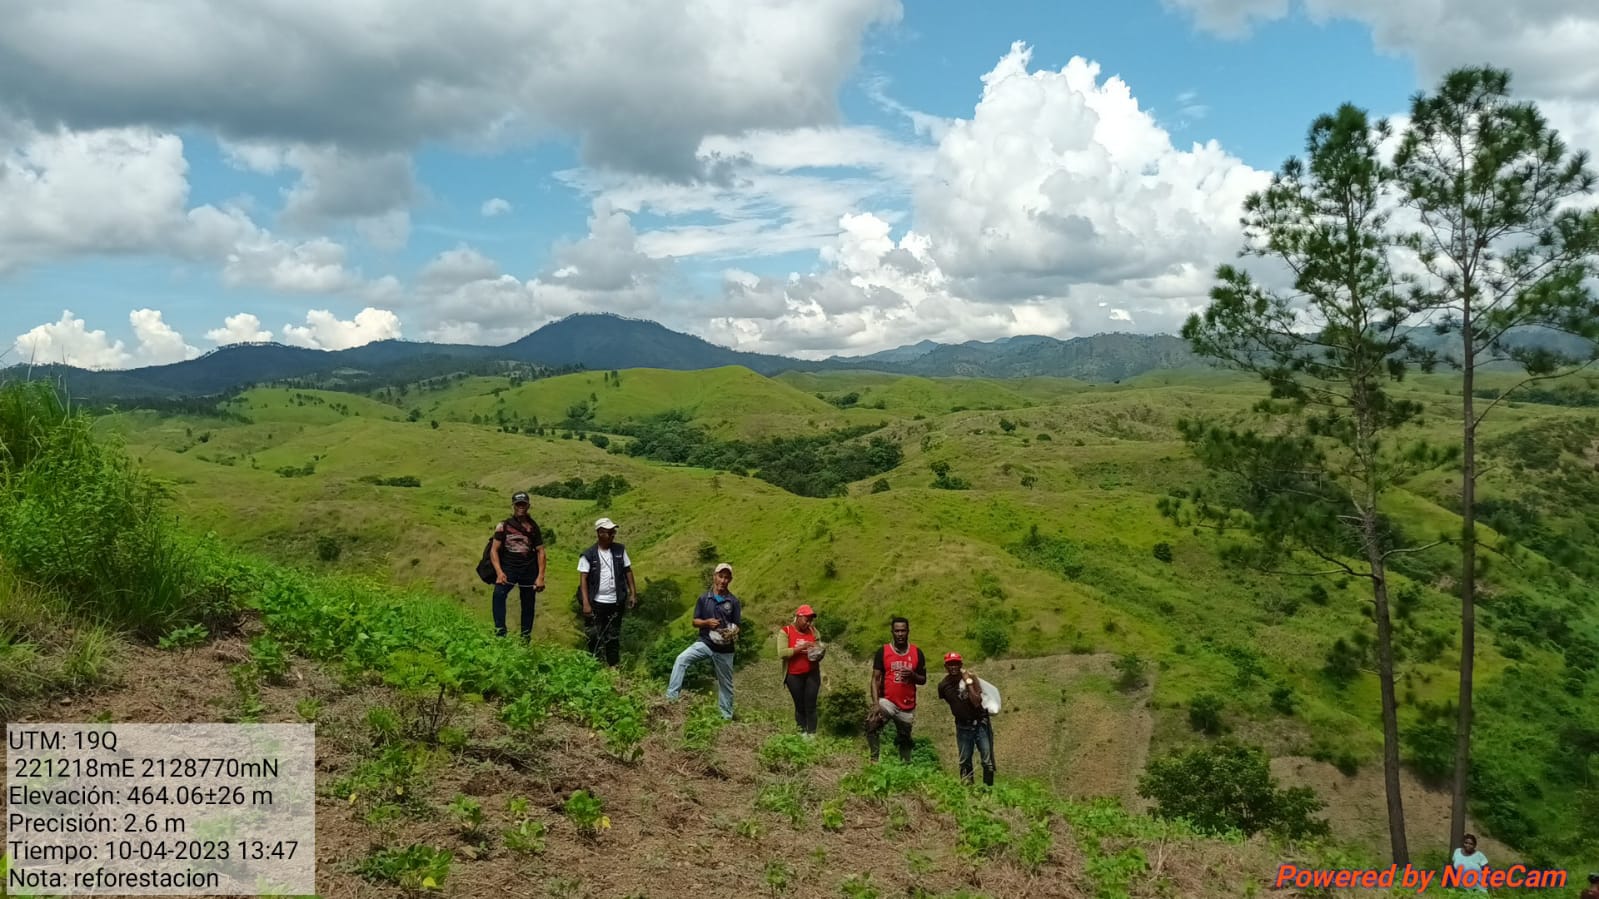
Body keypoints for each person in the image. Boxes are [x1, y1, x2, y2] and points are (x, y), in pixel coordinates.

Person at [666, 563, 742, 720]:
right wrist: (707, 623)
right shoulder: (704, 598)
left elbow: (737, 625)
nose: (723, 580)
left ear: (730, 580)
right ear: (714, 577)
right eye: (720, 576)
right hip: (706, 642)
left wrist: (732, 632)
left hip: (725, 649)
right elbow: (695, 621)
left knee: (726, 684)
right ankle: (671, 699)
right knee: (681, 659)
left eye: (726, 578)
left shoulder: (733, 602)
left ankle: (726, 717)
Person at [866, 616, 926, 763]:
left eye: (903, 631)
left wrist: (913, 675)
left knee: (905, 740)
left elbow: (923, 679)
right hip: (888, 701)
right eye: (897, 631)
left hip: (907, 705)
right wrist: (876, 703)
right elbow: (875, 679)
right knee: (872, 723)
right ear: (892, 632)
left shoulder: (917, 653)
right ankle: (874, 760)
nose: (900, 634)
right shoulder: (883, 651)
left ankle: (905, 767)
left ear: (908, 631)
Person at [577, 517, 635, 667]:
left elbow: (628, 570)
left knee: (613, 636)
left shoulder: (620, 550)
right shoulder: (588, 554)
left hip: (615, 601)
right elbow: (583, 579)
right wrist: (586, 603)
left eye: (613, 532)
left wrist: (632, 593)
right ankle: (594, 664)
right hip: (596, 603)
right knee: (593, 636)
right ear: (599, 533)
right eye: (609, 532)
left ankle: (613, 666)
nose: (612, 535)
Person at [489, 492, 545, 641]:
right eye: (518, 504)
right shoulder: (503, 526)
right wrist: (499, 572)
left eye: (523, 504)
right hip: (509, 568)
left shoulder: (533, 527)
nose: (521, 507)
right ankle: (500, 633)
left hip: (528, 569)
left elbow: (540, 551)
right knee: (498, 595)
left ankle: (525, 639)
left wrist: (540, 577)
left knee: (528, 604)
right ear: (513, 506)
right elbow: (494, 550)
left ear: (528, 506)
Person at [936, 652, 996, 786]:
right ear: (945, 667)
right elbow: (951, 702)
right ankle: (968, 790)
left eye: (956, 664)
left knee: (987, 762)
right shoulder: (943, 685)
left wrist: (968, 682)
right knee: (964, 762)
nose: (953, 667)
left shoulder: (971, 678)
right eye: (950, 664)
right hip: (963, 726)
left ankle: (988, 790)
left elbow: (976, 702)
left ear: (961, 665)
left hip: (980, 724)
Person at [779, 605, 824, 737]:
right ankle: (802, 734)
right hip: (794, 675)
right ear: (798, 617)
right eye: (806, 620)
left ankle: (812, 734)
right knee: (800, 706)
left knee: (811, 705)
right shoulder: (786, 631)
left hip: (812, 673)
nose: (808, 623)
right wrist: (802, 647)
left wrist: (818, 651)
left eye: (811, 620)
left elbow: (819, 646)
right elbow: (782, 653)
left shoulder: (814, 631)